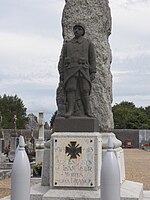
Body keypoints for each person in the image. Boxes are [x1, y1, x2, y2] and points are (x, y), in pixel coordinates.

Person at [58, 23, 96, 118]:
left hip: (83, 70)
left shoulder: (88, 44)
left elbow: (92, 59)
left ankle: (88, 110)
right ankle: (70, 110)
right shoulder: (68, 45)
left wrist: (93, 71)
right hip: (70, 70)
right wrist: (62, 72)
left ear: (83, 31)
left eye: (79, 29)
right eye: (75, 29)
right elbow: (63, 60)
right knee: (70, 88)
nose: (77, 31)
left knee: (85, 89)